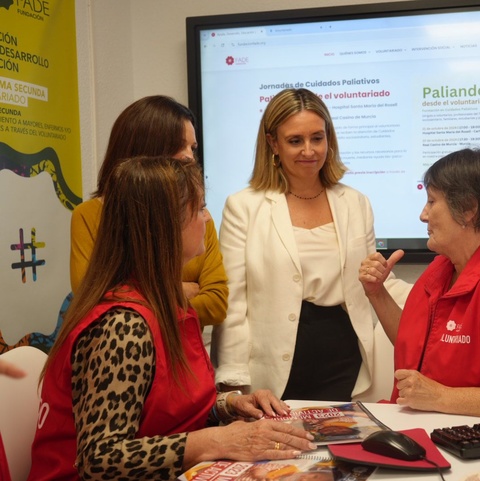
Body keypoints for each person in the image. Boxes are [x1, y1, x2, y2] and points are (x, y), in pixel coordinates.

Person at [30, 157, 316, 480]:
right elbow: (100, 460)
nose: (207, 220)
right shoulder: (123, 326)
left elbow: (167, 414)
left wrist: (230, 406)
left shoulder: (167, 304)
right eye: (199, 209)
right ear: (165, 226)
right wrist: (217, 439)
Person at [212, 88, 410, 401]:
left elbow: (369, 281)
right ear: (273, 143)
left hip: (343, 357)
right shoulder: (243, 206)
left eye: (317, 138)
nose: (309, 150)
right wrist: (233, 379)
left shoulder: (356, 203)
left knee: (339, 445)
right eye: (295, 140)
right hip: (272, 364)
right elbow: (233, 302)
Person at [359, 147, 480, 418]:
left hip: (476, 444)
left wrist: (441, 397)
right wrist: (377, 294)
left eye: (432, 201)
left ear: (468, 209)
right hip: (421, 431)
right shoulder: (442, 266)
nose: (423, 215)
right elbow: (417, 346)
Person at [70, 95, 228, 328]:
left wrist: (139, 296)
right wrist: (181, 289)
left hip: (185, 350)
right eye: (178, 146)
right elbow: (95, 302)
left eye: (192, 147)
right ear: (143, 150)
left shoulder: (199, 216)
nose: (189, 157)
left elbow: (216, 303)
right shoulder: (89, 215)